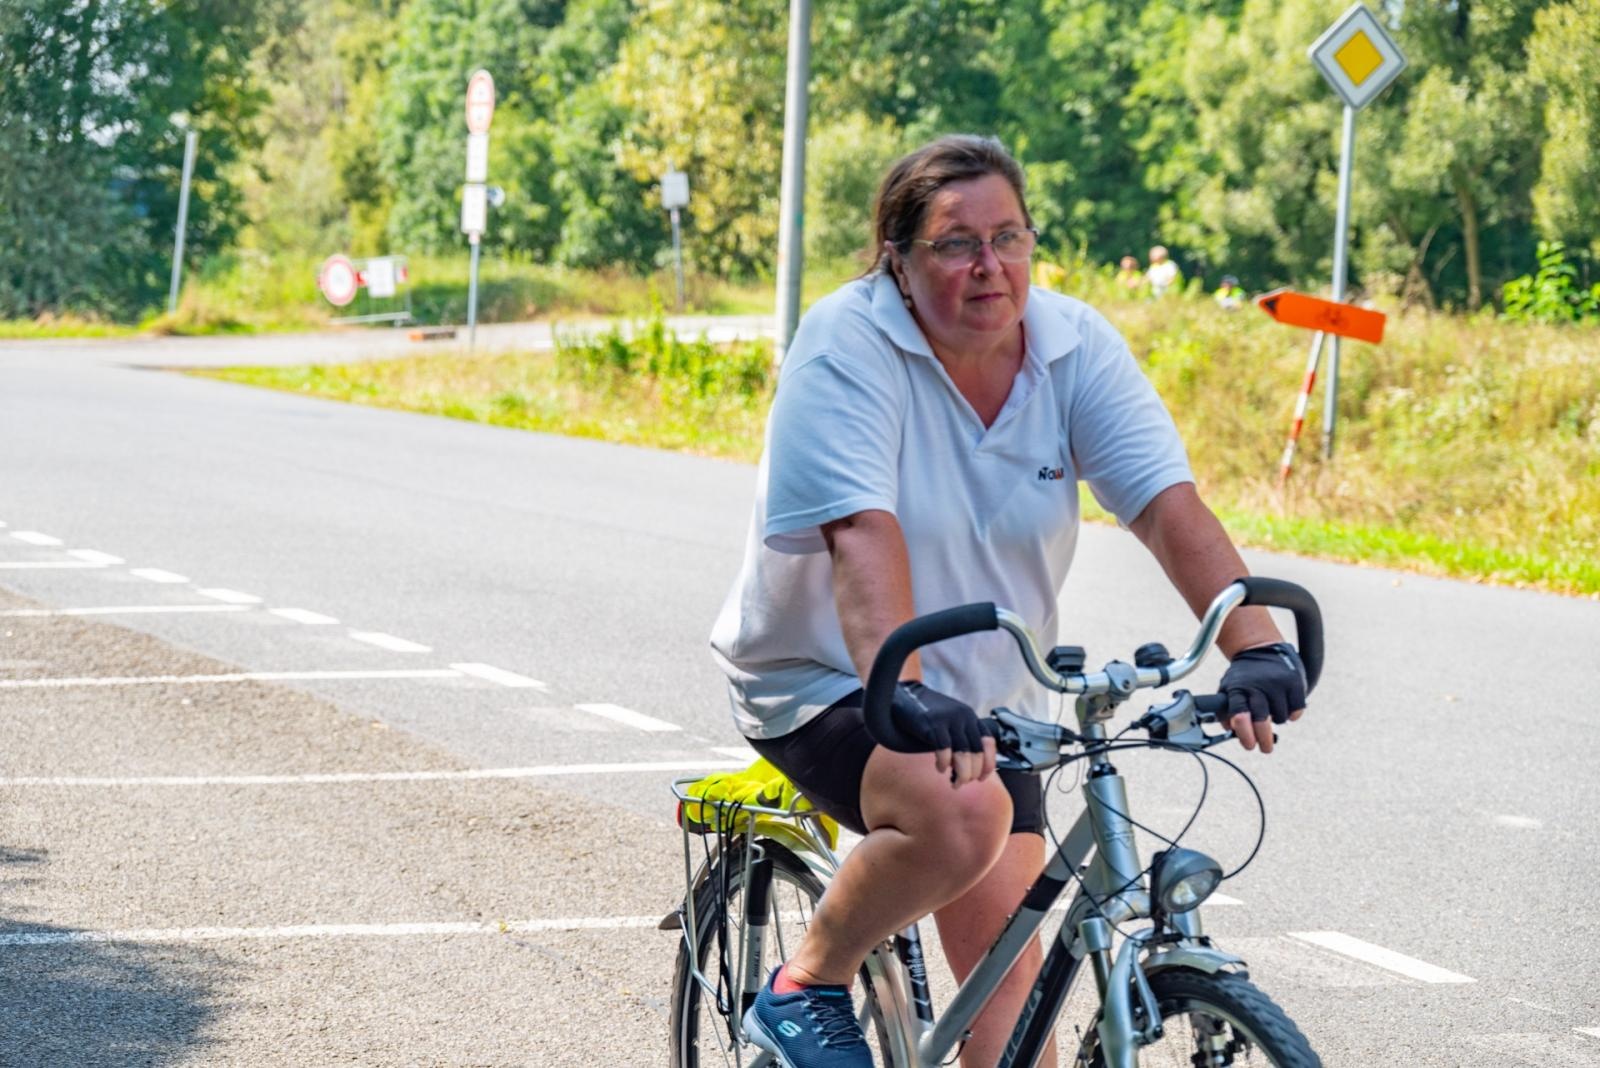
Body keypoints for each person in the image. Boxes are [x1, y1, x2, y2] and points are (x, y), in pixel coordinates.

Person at [708, 134, 1309, 1068]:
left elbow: (1163, 502)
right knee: (965, 818)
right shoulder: (848, 343)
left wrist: (1256, 643)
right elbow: (862, 532)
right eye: (956, 244)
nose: (990, 266)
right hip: (830, 676)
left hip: (995, 696)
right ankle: (807, 984)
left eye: (1010, 237)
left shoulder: (1073, 348)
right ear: (897, 264)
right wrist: (899, 685)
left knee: (1013, 1029)